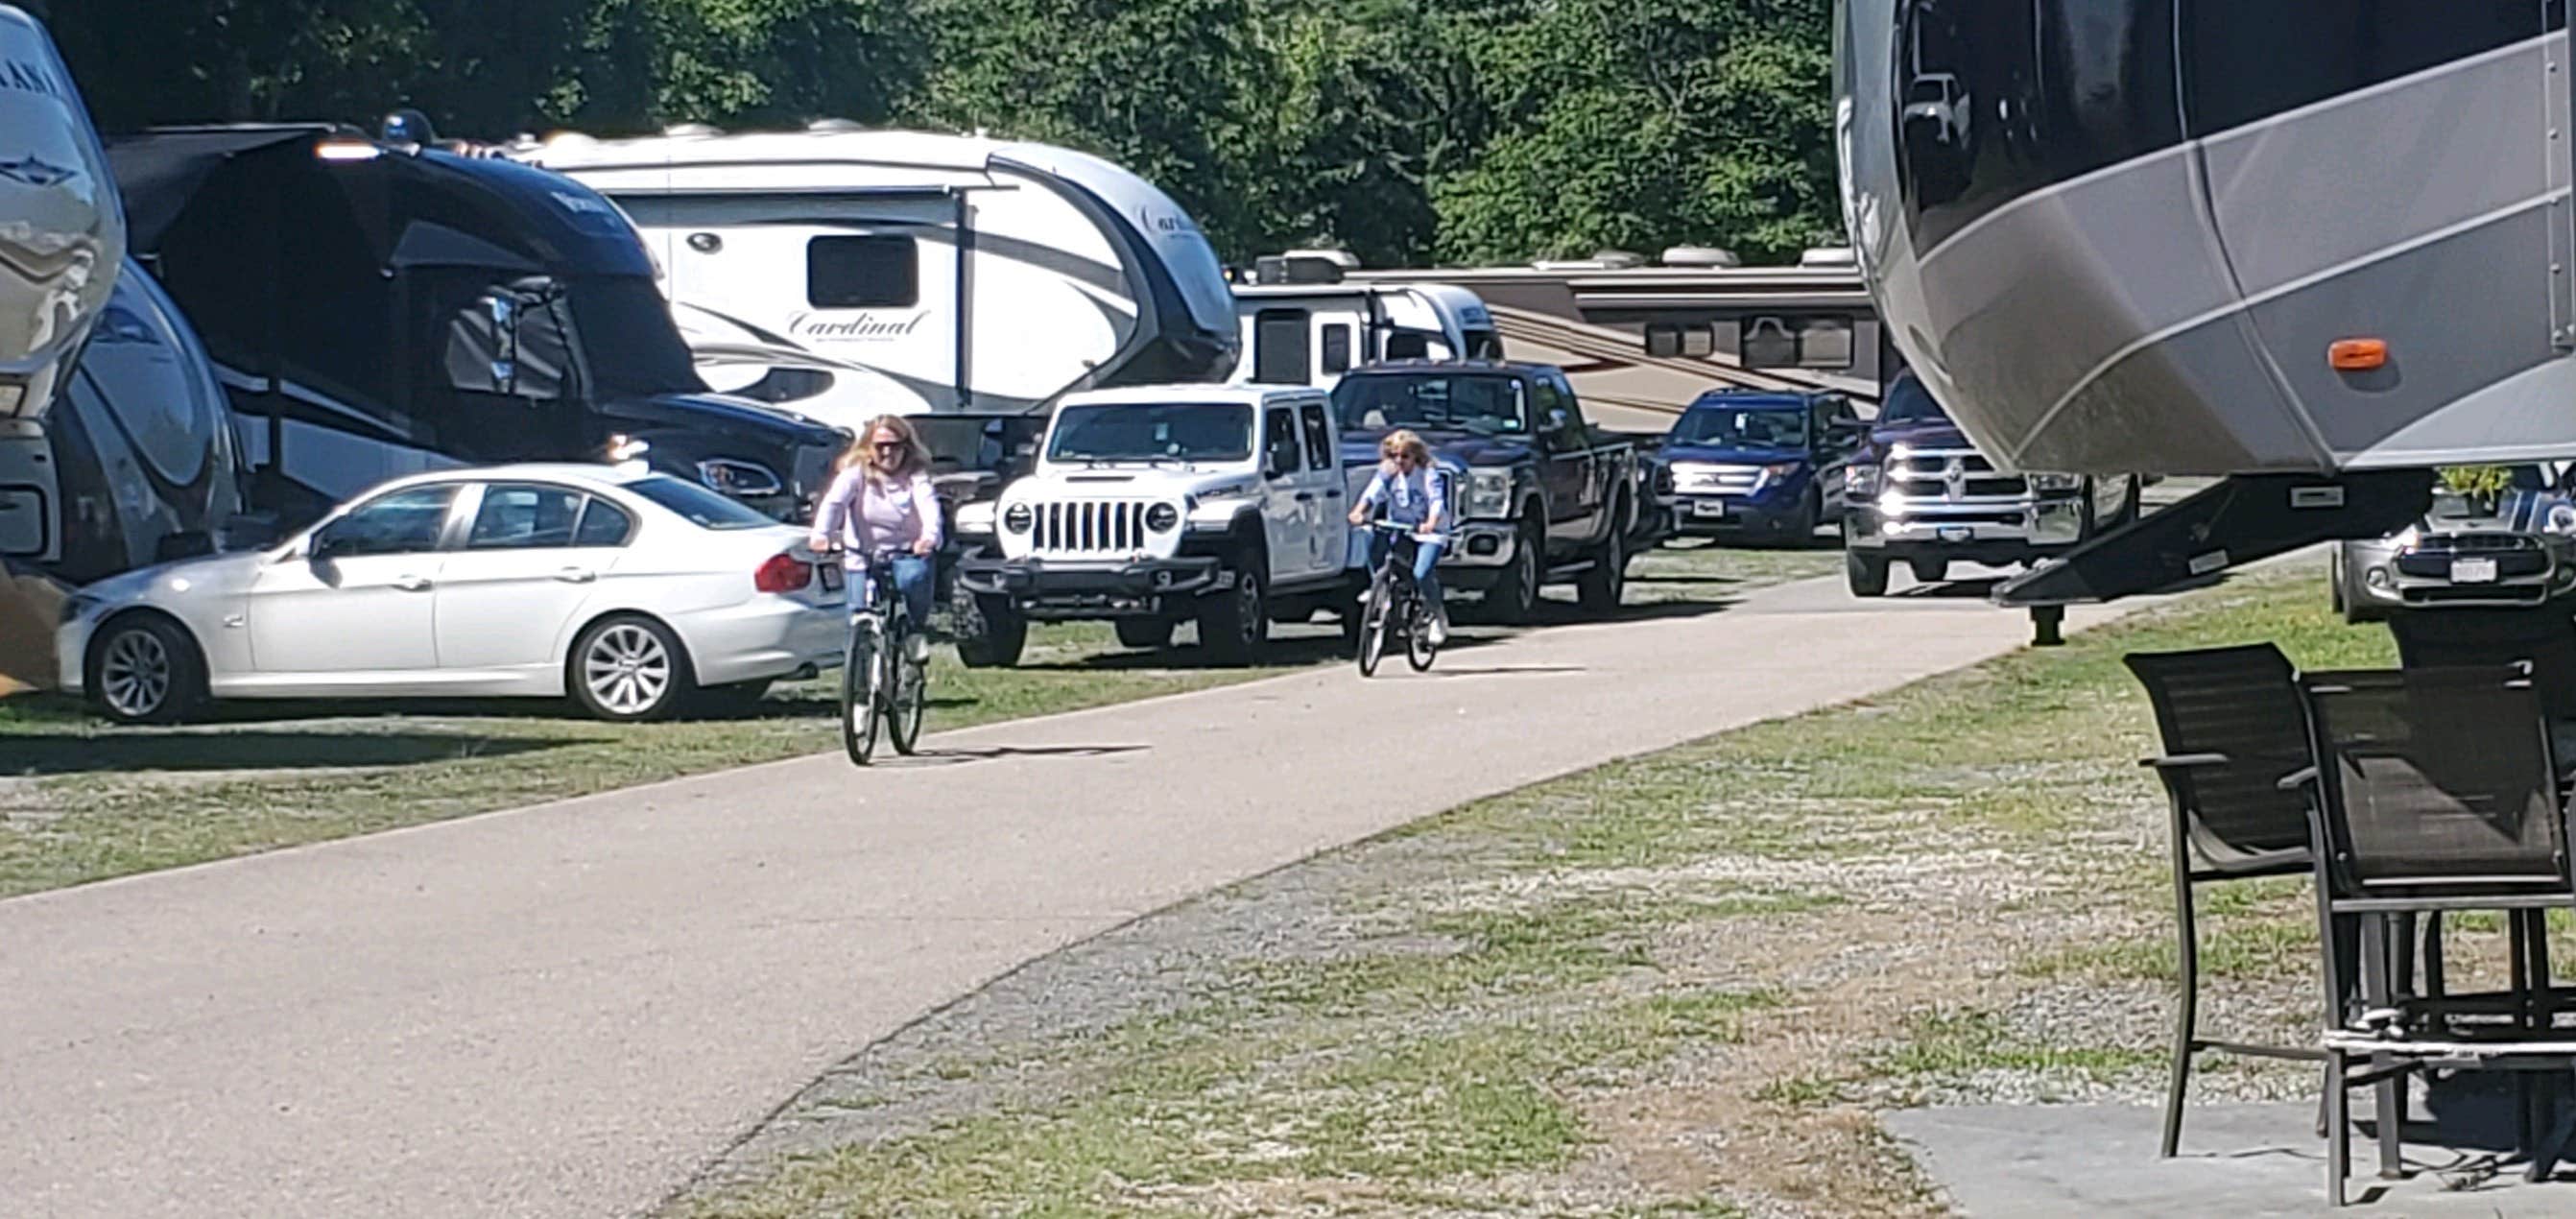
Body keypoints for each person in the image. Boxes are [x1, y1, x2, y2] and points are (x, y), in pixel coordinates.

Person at [810, 416, 942, 660]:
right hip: (862, 555)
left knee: (914, 579)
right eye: (880, 446)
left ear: (907, 447)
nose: (887, 452)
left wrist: (928, 537)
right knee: (857, 613)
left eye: (895, 445)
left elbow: (929, 507)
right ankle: (860, 674)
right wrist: (822, 536)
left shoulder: (915, 476)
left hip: (907, 552)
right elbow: (834, 504)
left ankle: (914, 633)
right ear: (868, 448)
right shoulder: (855, 474)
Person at [1348, 429, 1450, 644]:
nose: (1399, 461)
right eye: (1394, 455)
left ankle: (1436, 617)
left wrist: (1430, 523)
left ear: (1415, 456)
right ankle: (1380, 588)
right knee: (1372, 539)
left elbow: (1436, 501)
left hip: (1429, 532)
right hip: (1400, 527)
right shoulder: (1387, 473)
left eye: (1405, 456)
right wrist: (1359, 511)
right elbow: (1371, 494)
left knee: (1422, 573)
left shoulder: (1427, 474)